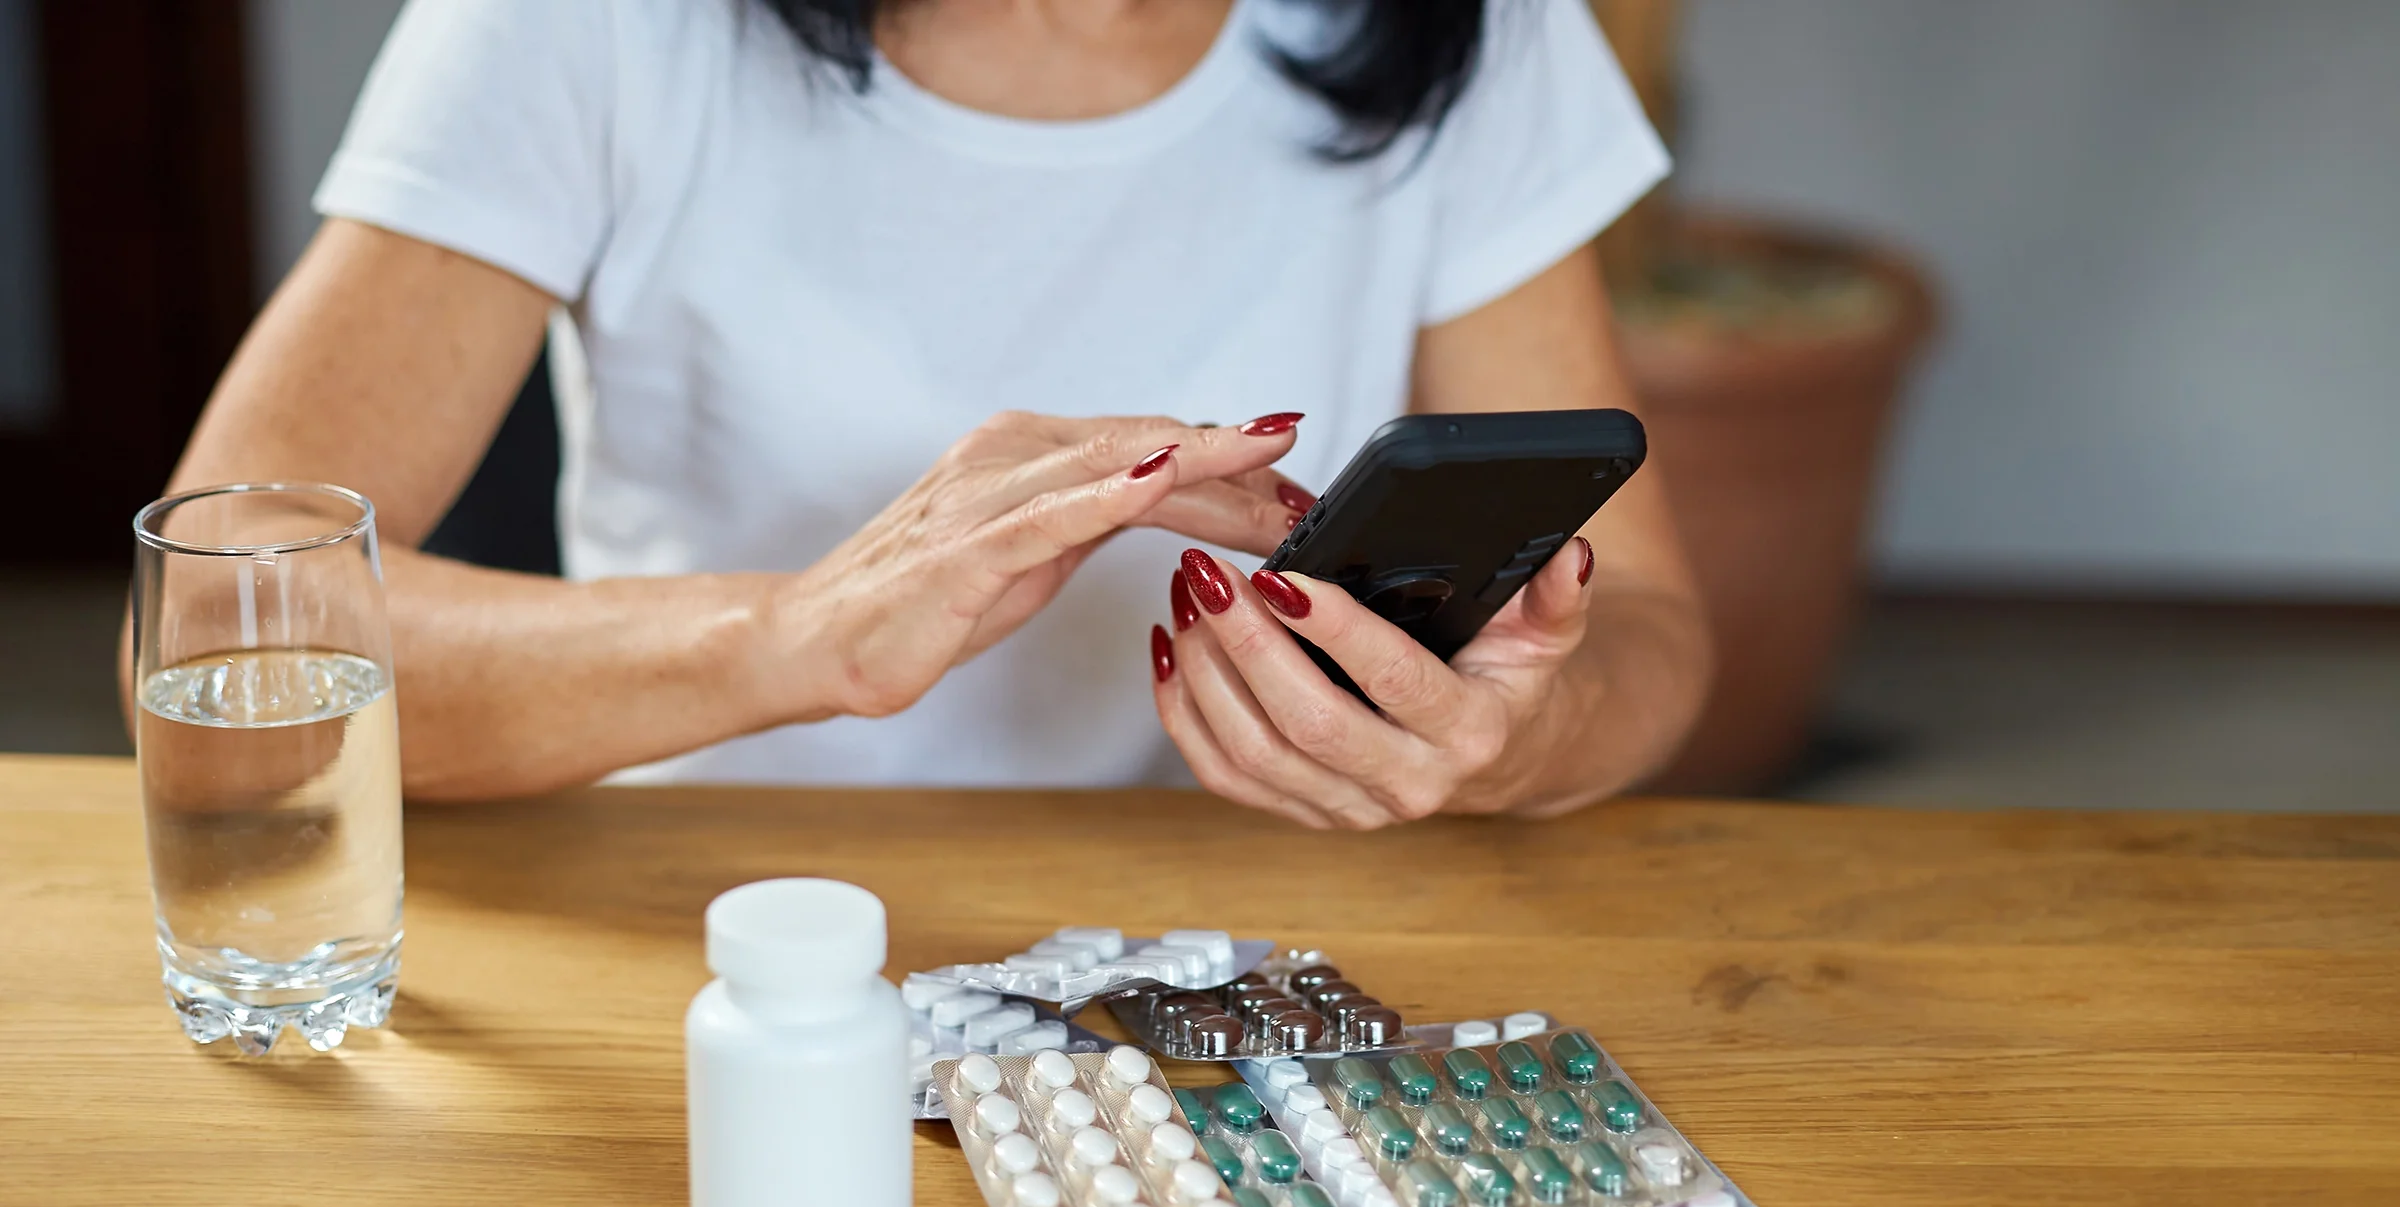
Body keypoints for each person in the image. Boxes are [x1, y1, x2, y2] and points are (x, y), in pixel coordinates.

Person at [156, 0, 1710, 829]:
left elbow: (1646, 623)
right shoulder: (589, 26)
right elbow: (224, 636)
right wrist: (790, 635)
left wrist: (1509, 738)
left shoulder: (1470, 29)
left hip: (1243, 962)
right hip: (718, 923)